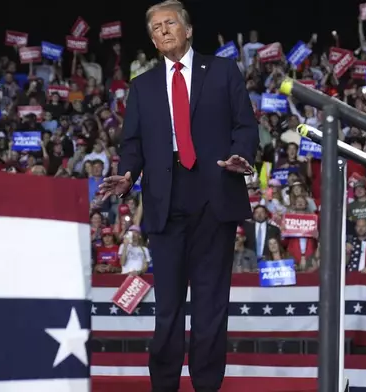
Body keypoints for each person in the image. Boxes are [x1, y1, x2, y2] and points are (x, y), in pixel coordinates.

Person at [98, 1, 259, 391]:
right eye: (155, 27)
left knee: (210, 304)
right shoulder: (143, 85)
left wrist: (242, 157)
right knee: (168, 307)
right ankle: (164, 384)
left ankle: (206, 384)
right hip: (164, 198)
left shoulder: (222, 70)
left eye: (170, 22)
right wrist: (127, 174)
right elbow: (133, 143)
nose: (163, 30)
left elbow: (245, 125)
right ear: (153, 40)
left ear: (188, 30)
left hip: (214, 191)